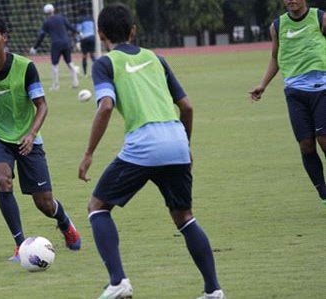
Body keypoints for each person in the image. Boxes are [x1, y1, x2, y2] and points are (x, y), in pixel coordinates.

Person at [78, 4, 224, 299]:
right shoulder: (157, 58)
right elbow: (187, 106)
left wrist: (89, 152)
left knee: (98, 207)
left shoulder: (105, 63)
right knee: (184, 217)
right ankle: (213, 291)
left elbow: (105, 105)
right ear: (133, 31)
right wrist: (186, 145)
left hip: (144, 144)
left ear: (100, 33)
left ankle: (118, 282)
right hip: (176, 140)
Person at [0, 15, 81, 261]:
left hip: (28, 138)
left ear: (5, 38)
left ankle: (64, 221)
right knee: (2, 179)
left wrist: (31, 134)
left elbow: (42, 105)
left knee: (44, 203)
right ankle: (20, 245)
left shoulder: (25, 67)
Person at [249, 0, 326, 205]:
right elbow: (275, 58)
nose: (290, 1)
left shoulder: (320, 18)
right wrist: (263, 85)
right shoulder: (277, 26)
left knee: (324, 139)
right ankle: (323, 193)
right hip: (295, 92)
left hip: (322, 89)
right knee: (306, 145)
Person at [30, 3, 79, 91]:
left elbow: (41, 35)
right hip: (66, 43)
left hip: (56, 45)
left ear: (45, 12)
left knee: (54, 65)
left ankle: (55, 86)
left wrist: (35, 47)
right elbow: (70, 27)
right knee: (69, 62)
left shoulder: (47, 22)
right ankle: (75, 82)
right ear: (53, 10)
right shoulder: (61, 17)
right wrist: (79, 33)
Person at [76, 7, 96, 77]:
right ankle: (97, 70)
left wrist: (78, 41)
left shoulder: (80, 19)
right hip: (92, 37)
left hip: (85, 39)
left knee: (84, 56)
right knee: (92, 55)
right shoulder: (91, 18)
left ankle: (85, 74)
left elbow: (79, 31)